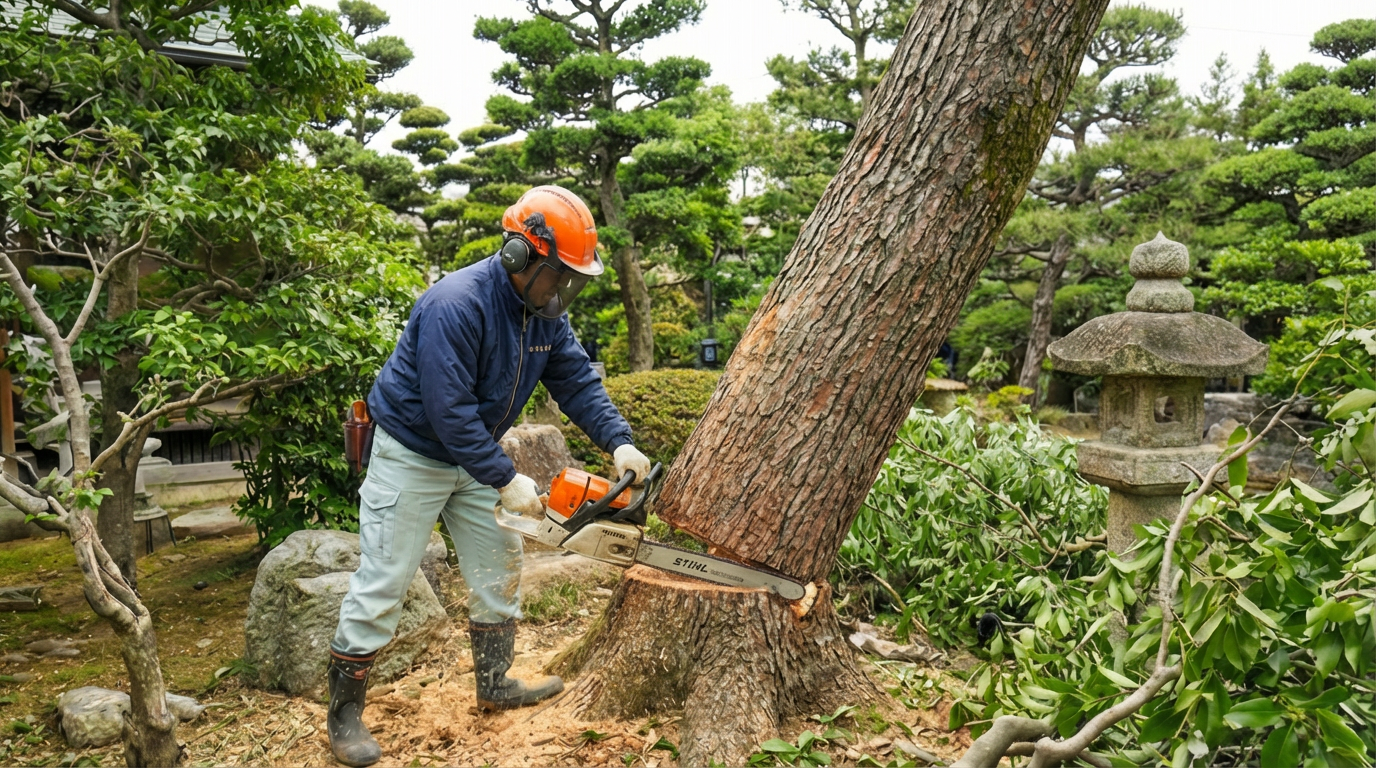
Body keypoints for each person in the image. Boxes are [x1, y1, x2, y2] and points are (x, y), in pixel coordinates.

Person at [324, 186, 652, 767]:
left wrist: (619, 441)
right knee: (385, 581)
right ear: (519, 255)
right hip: (413, 453)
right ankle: (344, 713)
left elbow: (576, 380)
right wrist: (504, 477)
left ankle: (495, 682)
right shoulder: (456, 305)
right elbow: (448, 410)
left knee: (499, 564)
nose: (562, 290)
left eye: (572, 280)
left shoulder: (545, 315)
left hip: (474, 457)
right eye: (558, 275)